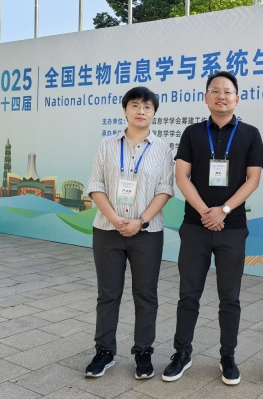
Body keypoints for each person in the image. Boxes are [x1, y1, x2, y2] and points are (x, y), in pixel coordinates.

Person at [162, 71, 263, 386]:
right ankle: (182, 353)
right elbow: (181, 177)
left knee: (229, 297)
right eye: (215, 91)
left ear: (237, 98)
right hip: (195, 227)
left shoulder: (250, 134)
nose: (221, 96)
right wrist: (205, 211)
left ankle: (228, 356)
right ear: (206, 97)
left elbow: (253, 180)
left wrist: (223, 210)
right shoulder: (192, 132)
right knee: (188, 294)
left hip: (232, 228)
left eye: (227, 91)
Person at [84, 86, 174, 380]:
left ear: (154, 113)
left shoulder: (162, 149)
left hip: (147, 233)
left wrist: (141, 221)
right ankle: (104, 351)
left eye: (147, 107)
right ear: (125, 110)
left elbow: (165, 190)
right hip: (107, 230)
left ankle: (143, 353)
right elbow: (95, 185)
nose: (141, 111)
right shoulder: (107, 144)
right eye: (135, 105)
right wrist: (115, 219)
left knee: (145, 294)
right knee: (108, 294)